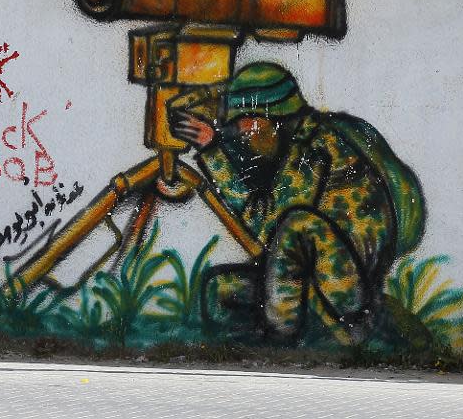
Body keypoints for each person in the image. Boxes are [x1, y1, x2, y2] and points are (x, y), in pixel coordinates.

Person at [171, 62, 425, 345]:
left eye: (246, 125)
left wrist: (213, 151)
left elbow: (268, 226)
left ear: (273, 117)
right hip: (315, 279)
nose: (243, 136)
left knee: (297, 226)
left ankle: (280, 340)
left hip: (346, 291)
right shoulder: (298, 141)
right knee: (219, 289)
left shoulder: (312, 149)